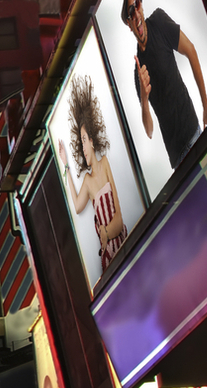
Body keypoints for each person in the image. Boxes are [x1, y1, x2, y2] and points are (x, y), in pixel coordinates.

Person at [121, 0, 207, 162]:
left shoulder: (159, 22)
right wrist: (144, 98)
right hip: (178, 159)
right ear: (129, 24)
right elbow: (149, 131)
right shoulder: (139, 72)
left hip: (193, 135)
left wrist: (205, 105)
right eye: (131, 12)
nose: (136, 13)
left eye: (137, 5)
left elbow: (191, 50)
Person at [64, 76, 126, 270]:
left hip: (123, 242)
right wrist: (66, 167)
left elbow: (119, 218)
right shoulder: (88, 181)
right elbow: (77, 206)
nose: (83, 148)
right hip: (108, 256)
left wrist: (105, 233)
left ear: (92, 141)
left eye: (84, 140)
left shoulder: (105, 163)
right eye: (80, 142)